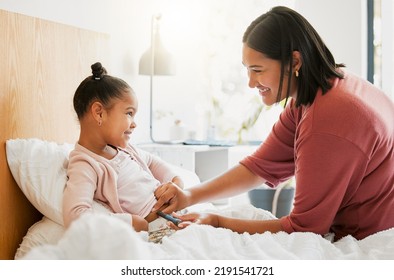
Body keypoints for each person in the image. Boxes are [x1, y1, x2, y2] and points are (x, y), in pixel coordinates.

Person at [153, 6, 394, 241]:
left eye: (258, 70)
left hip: (371, 237)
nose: (250, 82)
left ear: (295, 62)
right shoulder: (320, 90)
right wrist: (188, 196)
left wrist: (218, 222)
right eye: (247, 70)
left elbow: (305, 230)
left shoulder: (328, 119)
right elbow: (258, 166)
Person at [63, 62, 184, 232]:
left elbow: (152, 162)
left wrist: (175, 182)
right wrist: (130, 222)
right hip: (160, 228)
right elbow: (75, 216)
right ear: (99, 112)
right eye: (129, 113)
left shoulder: (126, 149)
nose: (134, 124)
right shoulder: (85, 164)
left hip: (179, 213)